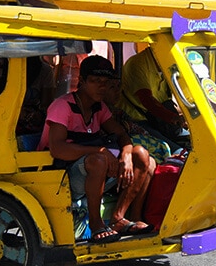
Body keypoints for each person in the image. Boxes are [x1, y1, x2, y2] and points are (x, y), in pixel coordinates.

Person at [37, 55, 155, 244]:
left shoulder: (99, 108)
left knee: (140, 154)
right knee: (98, 159)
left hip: (91, 171)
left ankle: (119, 217)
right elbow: (57, 149)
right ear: (82, 81)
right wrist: (99, 151)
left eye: (105, 82)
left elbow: (121, 134)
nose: (102, 87)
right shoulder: (62, 106)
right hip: (60, 176)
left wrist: (126, 154)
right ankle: (96, 224)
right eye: (95, 81)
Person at [117, 47, 185, 152]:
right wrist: (173, 117)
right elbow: (147, 101)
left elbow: (185, 92)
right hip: (138, 119)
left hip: (161, 119)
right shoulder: (138, 64)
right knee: (178, 152)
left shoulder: (169, 63)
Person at [0, 56, 54, 135]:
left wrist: (38, 115)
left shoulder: (45, 70)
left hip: (30, 114)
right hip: (0, 111)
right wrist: (15, 112)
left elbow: (46, 105)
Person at [104, 78, 172, 164]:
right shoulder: (100, 113)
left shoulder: (119, 112)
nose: (117, 91)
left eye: (118, 86)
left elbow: (138, 130)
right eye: (112, 87)